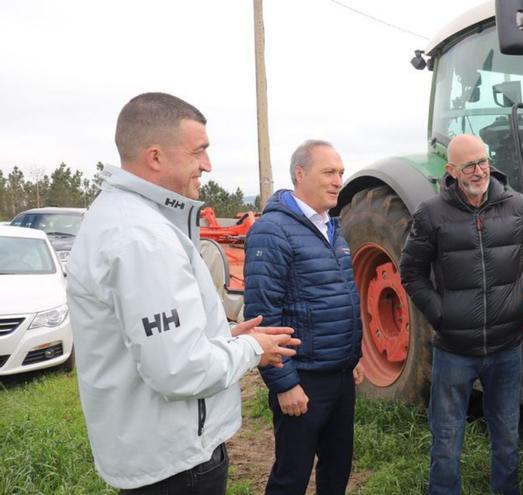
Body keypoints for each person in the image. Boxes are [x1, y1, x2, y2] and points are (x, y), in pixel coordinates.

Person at [67, 92, 299, 494]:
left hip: (156, 450)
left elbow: (153, 340)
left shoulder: (127, 219)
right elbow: (179, 369)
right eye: (198, 152)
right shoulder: (142, 239)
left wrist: (223, 339)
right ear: (155, 157)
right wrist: (253, 349)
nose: (207, 165)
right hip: (177, 463)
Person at [400, 134, 523, 495]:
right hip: (453, 350)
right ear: (451, 171)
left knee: (507, 436)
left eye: (484, 162)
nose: (480, 171)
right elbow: (411, 272)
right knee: (447, 441)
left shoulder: (516, 205)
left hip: (506, 348)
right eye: (470, 165)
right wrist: (441, 315)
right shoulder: (431, 213)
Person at [243, 139, 364, 495]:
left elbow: (337, 296)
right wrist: (285, 384)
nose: (338, 181)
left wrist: (352, 357)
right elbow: (263, 316)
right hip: (304, 379)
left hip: (340, 375)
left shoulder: (332, 227)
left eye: (340, 172)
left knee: (337, 470)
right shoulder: (273, 229)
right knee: (291, 477)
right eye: (328, 172)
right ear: (300, 173)